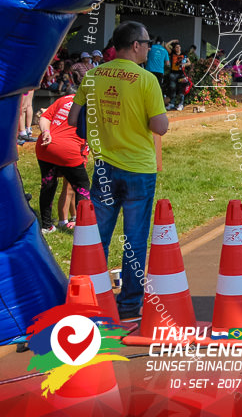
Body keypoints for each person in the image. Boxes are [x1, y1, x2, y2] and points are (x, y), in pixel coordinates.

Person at [68, 21, 169, 321]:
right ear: (136, 45)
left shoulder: (93, 76)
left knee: (98, 236)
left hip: (103, 168)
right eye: (147, 43)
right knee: (134, 239)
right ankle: (128, 306)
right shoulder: (146, 80)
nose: (149, 48)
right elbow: (160, 126)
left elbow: (75, 119)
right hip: (138, 169)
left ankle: (88, 300)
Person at [35, 94, 90, 234]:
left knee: (48, 184)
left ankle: (47, 226)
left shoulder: (66, 98)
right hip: (68, 150)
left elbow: (44, 116)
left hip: (45, 146)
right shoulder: (97, 104)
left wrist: (46, 132)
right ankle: (82, 228)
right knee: (82, 187)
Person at [167, 42, 189, 110]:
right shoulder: (172, 54)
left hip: (181, 73)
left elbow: (189, 62)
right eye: (176, 47)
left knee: (181, 89)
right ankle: (172, 103)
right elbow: (166, 45)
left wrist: (185, 64)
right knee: (172, 88)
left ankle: (181, 104)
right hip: (173, 73)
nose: (178, 48)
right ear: (174, 48)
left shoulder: (184, 54)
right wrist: (173, 41)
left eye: (179, 47)